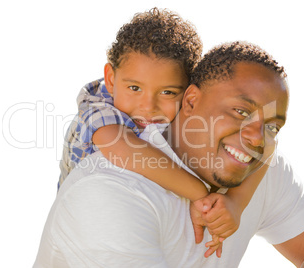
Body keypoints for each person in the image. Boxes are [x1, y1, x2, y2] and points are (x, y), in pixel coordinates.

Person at [34, 41, 304, 267]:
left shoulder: (252, 160)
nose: (255, 137)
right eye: (240, 111)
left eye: (271, 127)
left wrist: (235, 202)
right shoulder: (110, 191)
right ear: (191, 101)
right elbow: (117, 143)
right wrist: (201, 196)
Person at [57, 8, 268, 255]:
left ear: (189, 92)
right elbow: (124, 149)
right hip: (85, 233)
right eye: (134, 87)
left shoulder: (184, 111)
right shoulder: (97, 107)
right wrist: (201, 194)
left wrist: (235, 203)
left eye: (168, 92)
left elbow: (263, 144)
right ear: (111, 79)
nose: (148, 106)